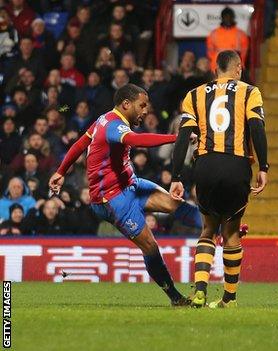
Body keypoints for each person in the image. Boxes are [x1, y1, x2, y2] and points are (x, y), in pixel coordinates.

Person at [48, 84, 200, 306]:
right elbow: (136, 141)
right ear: (126, 104)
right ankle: (175, 297)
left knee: (175, 204)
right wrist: (176, 137)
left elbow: (82, 142)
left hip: (130, 185)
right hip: (110, 199)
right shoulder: (112, 125)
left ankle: (218, 227)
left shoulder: (104, 119)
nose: (146, 110)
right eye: (142, 105)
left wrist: (61, 171)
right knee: (150, 246)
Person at [170, 50, 269, 309]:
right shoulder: (250, 92)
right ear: (237, 68)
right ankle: (229, 298)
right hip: (236, 165)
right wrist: (264, 166)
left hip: (206, 166)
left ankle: (200, 290)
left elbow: (183, 137)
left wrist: (176, 175)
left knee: (207, 229)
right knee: (232, 231)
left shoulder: (194, 95)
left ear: (216, 70)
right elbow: (257, 128)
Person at [206, 7, 249, 72]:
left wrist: (240, 65)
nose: (228, 19)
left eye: (229, 17)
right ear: (222, 18)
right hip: (217, 68)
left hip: (235, 68)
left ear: (233, 18)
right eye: (225, 17)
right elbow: (210, 53)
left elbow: (244, 53)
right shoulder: (213, 34)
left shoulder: (241, 34)